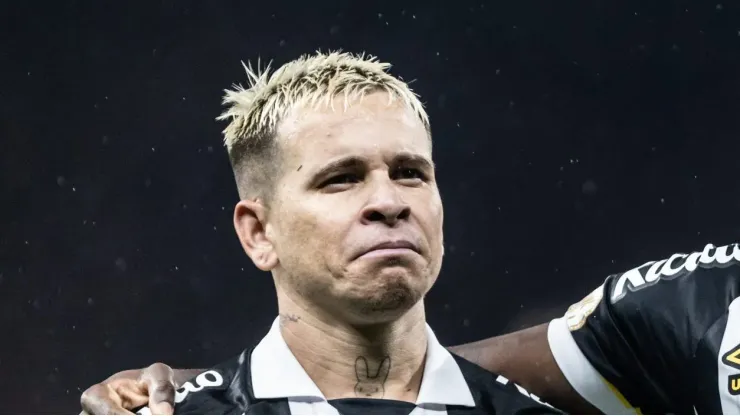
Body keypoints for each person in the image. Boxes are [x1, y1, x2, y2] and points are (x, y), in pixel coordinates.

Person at [78, 53, 740, 415]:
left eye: (410, 173)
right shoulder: (701, 307)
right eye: (341, 179)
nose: (389, 202)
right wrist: (214, 395)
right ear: (258, 231)